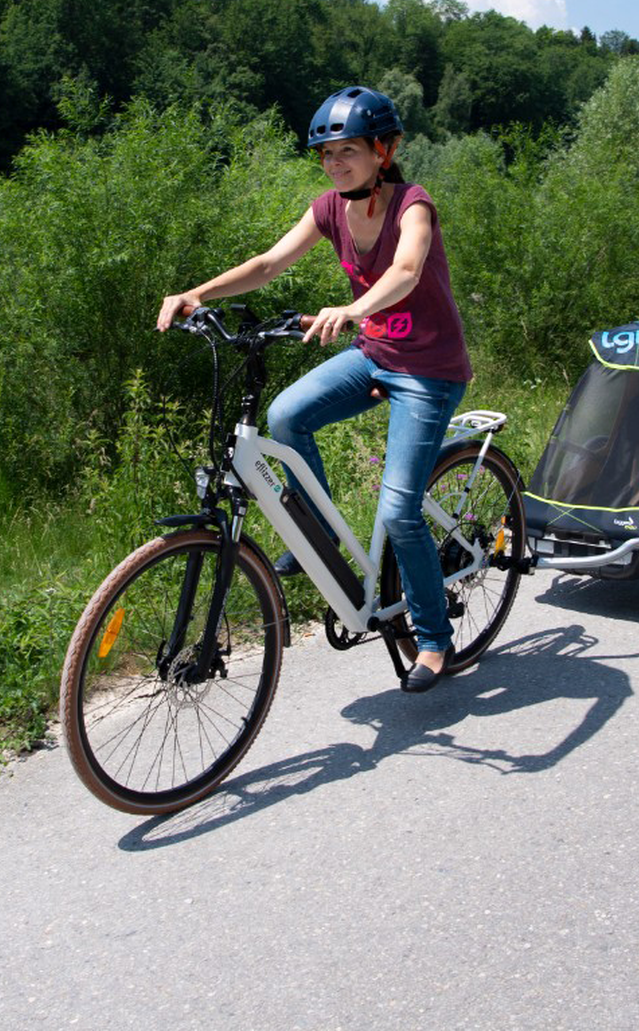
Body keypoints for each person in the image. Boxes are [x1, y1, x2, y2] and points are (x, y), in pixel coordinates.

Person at [156, 86, 471, 693]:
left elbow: (406, 271)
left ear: (385, 150)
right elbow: (269, 263)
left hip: (428, 370)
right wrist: (200, 291)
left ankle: (433, 640)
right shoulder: (328, 208)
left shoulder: (413, 205)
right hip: (374, 354)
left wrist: (354, 309)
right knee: (286, 415)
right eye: (326, 154)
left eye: (348, 151)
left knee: (399, 512)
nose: (334, 164)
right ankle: (317, 539)